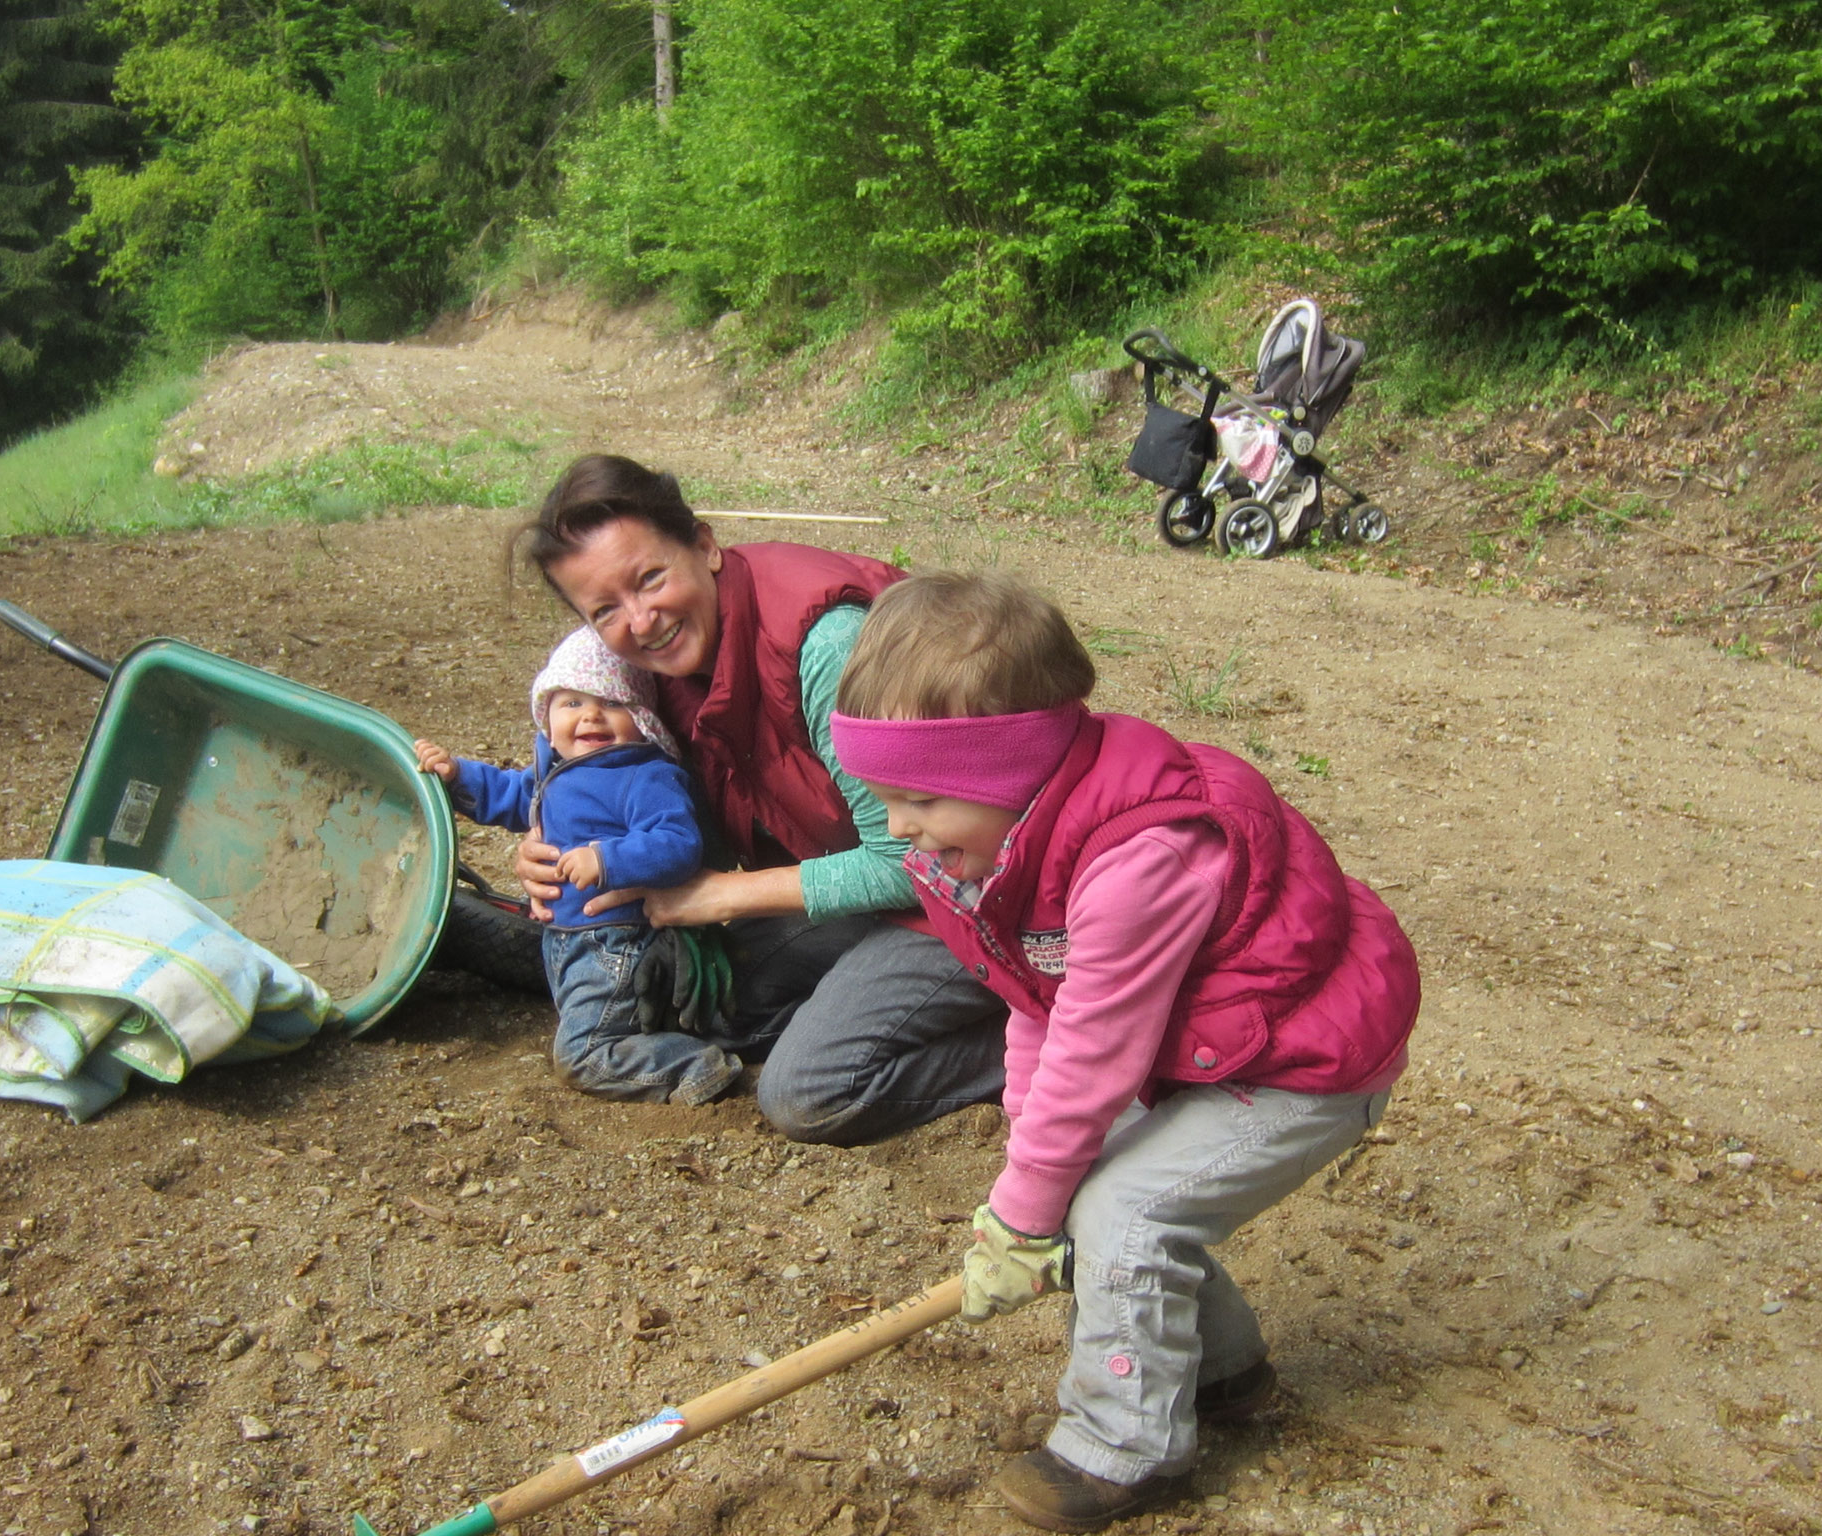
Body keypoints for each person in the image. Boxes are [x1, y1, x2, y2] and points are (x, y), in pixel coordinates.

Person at [826, 571, 1420, 1533]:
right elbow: (1033, 995)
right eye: (884, 797)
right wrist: (1032, 1153)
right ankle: (1223, 1375)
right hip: (1218, 1046)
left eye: (920, 797)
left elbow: (1098, 1046)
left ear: (1005, 772)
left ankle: (1122, 1449)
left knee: (1126, 1207)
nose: (898, 827)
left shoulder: (1140, 856)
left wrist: (1025, 1212)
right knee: (1099, 1178)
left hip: (1306, 1061)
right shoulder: (985, 850)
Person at [510, 453, 1006, 1145]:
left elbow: (914, 863)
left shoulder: (825, 648)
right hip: (868, 885)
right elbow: (603, 775)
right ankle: (862, 1004)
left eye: (650, 577)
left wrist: (726, 897)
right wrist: (549, 847)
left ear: (706, 545)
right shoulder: (656, 670)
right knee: (688, 1006)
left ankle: (1037, 1035)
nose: (641, 618)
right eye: (605, 610)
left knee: (805, 1091)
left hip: (984, 892)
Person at [416, 626, 741, 1106]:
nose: (591, 714)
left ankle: (694, 1064)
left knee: (584, 1054)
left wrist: (606, 858)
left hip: (615, 941)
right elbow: (508, 796)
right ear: (547, 718)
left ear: (643, 721)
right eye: (571, 703)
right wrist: (457, 776)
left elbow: (677, 843)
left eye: (611, 703)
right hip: (568, 938)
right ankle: (638, 1030)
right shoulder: (557, 771)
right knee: (586, 1014)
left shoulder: (644, 775)